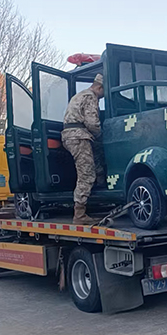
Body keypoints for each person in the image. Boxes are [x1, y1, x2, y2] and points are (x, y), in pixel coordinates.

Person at [63, 74, 106, 225]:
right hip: (79, 137)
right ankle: (79, 214)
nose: (103, 96)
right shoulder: (91, 97)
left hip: (71, 136)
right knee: (87, 174)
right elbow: (92, 123)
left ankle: (99, 194)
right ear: (99, 87)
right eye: (104, 92)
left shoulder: (79, 95)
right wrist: (102, 136)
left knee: (94, 166)